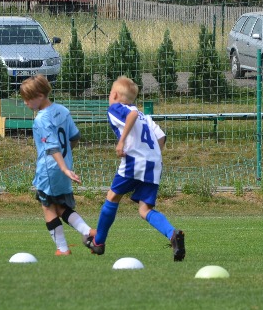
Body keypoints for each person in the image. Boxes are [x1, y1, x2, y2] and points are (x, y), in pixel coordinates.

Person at [85, 76, 185, 261]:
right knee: (144, 209)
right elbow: (161, 137)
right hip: (154, 163)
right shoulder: (143, 116)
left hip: (135, 161)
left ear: (115, 95)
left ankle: (98, 242)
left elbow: (129, 116)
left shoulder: (116, 108)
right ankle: (172, 234)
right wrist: (151, 155)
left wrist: (121, 141)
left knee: (112, 197)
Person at [19, 74, 95, 255]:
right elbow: (75, 137)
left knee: (48, 207)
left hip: (50, 169)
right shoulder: (62, 110)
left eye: (27, 99)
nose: (25, 103)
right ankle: (89, 232)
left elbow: (52, 147)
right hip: (64, 166)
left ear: (39, 96)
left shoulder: (41, 119)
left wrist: (62, 167)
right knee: (61, 207)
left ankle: (63, 248)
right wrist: (65, 162)